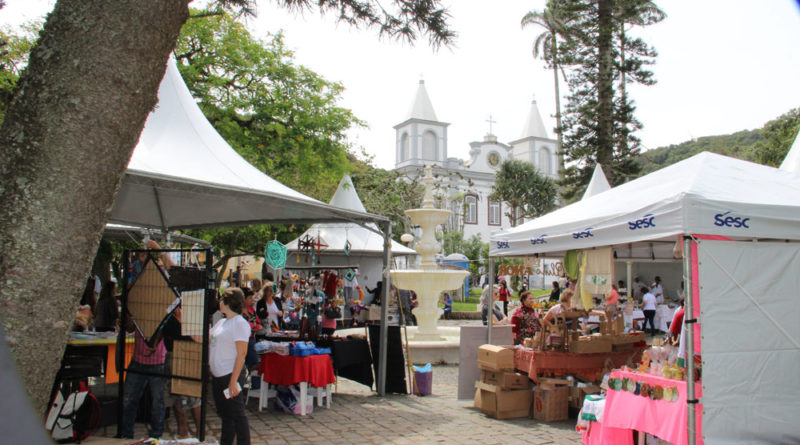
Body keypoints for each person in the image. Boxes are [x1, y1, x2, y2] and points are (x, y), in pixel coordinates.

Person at [207, 288, 250, 445]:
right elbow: (205, 338)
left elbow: (241, 354)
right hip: (218, 376)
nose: (219, 302)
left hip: (230, 374)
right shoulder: (221, 322)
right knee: (226, 415)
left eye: (221, 299)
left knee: (237, 414)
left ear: (228, 302)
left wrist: (233, 381)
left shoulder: (239, 323)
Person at [118, 310, 166, 441]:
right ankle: (125, 433)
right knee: (128, 399)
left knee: (158, 402)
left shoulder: (162, 306)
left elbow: (163, 327)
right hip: (138, 360)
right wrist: (128, 318)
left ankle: (155, 435)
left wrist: (154, 344)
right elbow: (130, 328)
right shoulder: (140, 306)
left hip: (158, 362)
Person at [241, 288, 261, 369]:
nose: (252, 300)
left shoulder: (251, 310)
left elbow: (259, 324)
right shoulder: (238, 312)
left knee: (254, 365)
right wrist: (253, 325)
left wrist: (253, 326)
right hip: (242, 341)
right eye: (249, 298)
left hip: (252, 340)